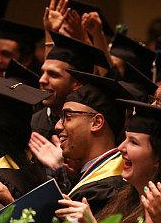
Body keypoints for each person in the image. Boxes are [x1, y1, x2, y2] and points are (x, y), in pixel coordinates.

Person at [56, 100, 161, 223]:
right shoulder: (123, 199)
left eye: (133, 142)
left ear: (160, 157)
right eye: (125, 139)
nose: (121, 148)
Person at [53, 70, 130, 214]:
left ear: (97, 122)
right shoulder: (94, 179)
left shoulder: (104, 190)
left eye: (67, 117)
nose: (58, 126)